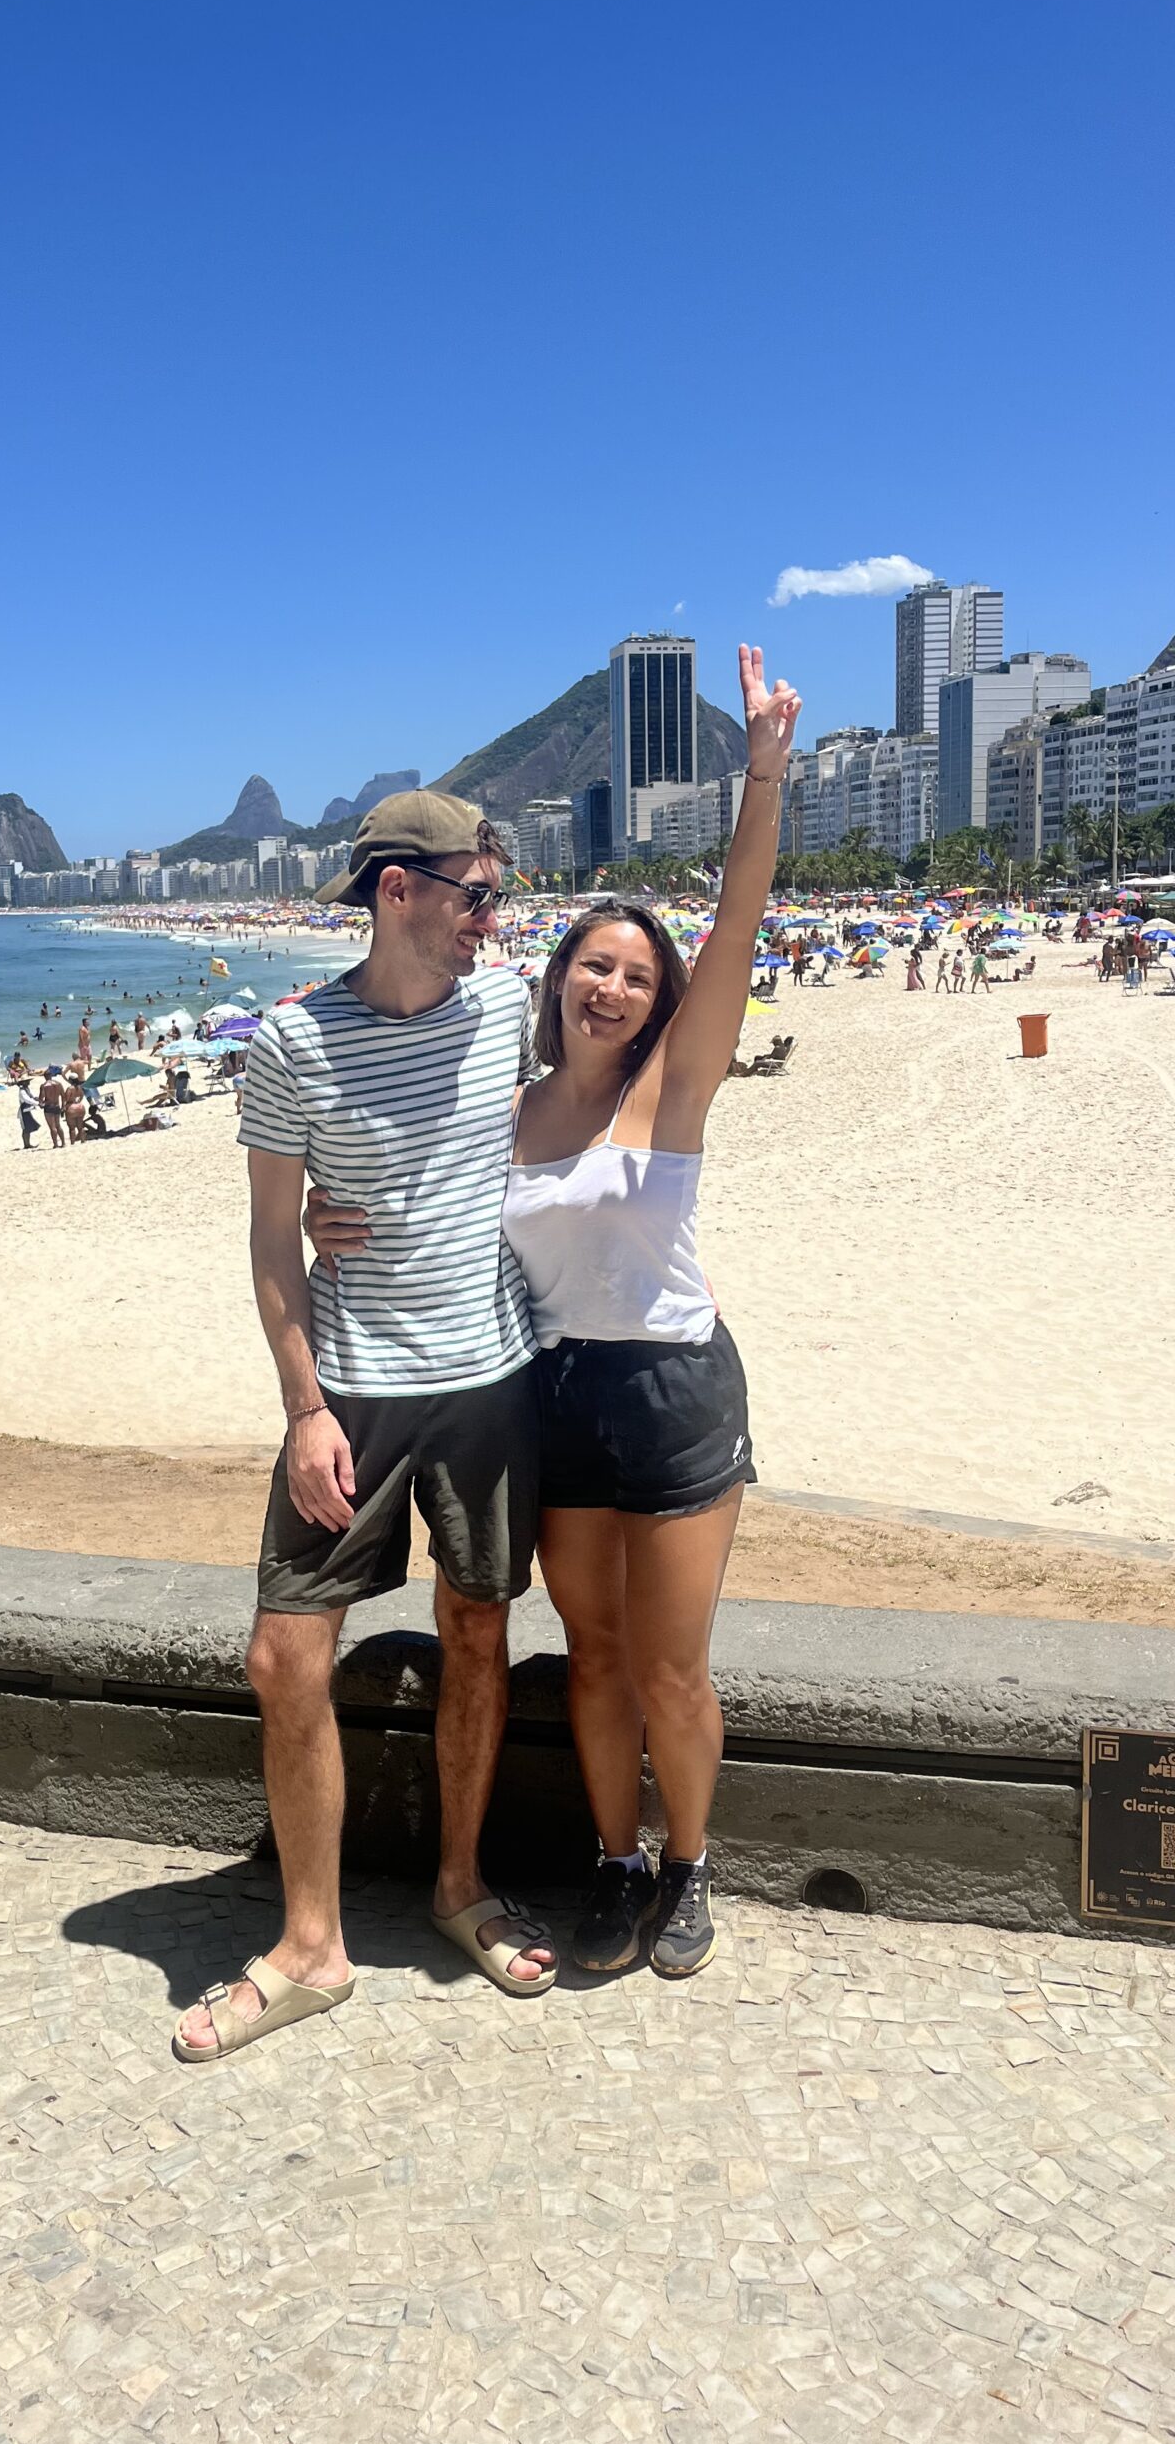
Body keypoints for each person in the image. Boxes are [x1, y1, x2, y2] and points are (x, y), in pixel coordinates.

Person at [304, 648, 801, 1985]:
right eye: (594, 965)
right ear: (560, 978)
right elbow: (415, 1184)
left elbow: (738, 923)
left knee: (672, 1669)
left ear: (659, 998)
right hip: (557, 1393)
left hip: (675, 1390)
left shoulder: (674, 1088)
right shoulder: (509, 1110)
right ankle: (615, 1860)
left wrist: (763, 773)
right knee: (591, 1656)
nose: (613, 988)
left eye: (637, 974)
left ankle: (687, 1867)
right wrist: (323, 1219)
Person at [172, 789, 555, 2064]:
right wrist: (303, 1409)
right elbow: (269, 1240)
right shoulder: (293, 1040)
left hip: (493, 1379)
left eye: (496, 896)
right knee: (283, 1654)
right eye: (476, 894)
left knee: (478, 1628)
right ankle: (311, 1946)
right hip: (352, 1390)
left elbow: (611, 1078)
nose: (492, 919)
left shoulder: (508, 1009)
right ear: (398, 890)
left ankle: (459, 1886)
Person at [39, 1066, 66, 1148]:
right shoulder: (58, 1084)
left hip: (49, 1107)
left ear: (45, 1077)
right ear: (51, 1075)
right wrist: (63, 1106)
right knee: (58, 1126)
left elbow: (41, 1098)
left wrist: (41, 1104)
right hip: (57, 1106)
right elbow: (63, 1096)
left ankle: (55, 1144)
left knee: (52, 1127)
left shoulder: (44, 1086)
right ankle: (63, 1143)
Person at [17, 1082, 42, 1150]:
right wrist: (37, 1104)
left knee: (28, 1127)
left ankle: (27, 1144)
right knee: (25, 1127)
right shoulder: (22, 1091)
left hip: (27, 1110)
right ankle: (26, 1144)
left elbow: (31, 1097)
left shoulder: (26, 1089)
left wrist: (36, 1098)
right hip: (24, 1110)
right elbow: (27, 1100)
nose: (28, 1082)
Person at [62, 1075, 87, 1143]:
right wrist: (78, 1101)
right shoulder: (79, 1087)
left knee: (72, 1127)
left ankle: (73, 1142)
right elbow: (82, 1095)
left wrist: (63, 1108)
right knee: (80, 1126)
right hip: (80, 1107)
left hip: (71, 1108)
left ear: (70, 1081)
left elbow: (66, 1099)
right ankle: (83, 1140)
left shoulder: (70, 1088)